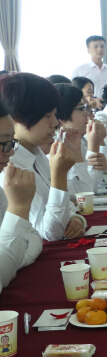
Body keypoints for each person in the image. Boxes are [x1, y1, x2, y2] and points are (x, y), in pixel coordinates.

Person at [0, 73, 84, 241]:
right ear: (17, 118)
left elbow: (69, 206)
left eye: (54, 114)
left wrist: (76, 218)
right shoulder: (9, 165)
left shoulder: (36, 153)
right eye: (47, 116)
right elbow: (49, 233)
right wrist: (59, 176)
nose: (55, 123)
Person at [0, 99, 42, 293]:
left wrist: (10, 264)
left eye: (11, 142)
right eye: (4, 143)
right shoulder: (11, 179)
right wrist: (19, 208)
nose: (10, 152)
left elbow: (34, 236)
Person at [54, 83, 107, 198]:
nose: (90, 115)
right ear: (62, 117)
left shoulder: (80, 140)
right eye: (82, 109)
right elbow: (88, 191)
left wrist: (106, 168)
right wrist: (94, 145)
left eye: (88, 109)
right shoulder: (57, 147)